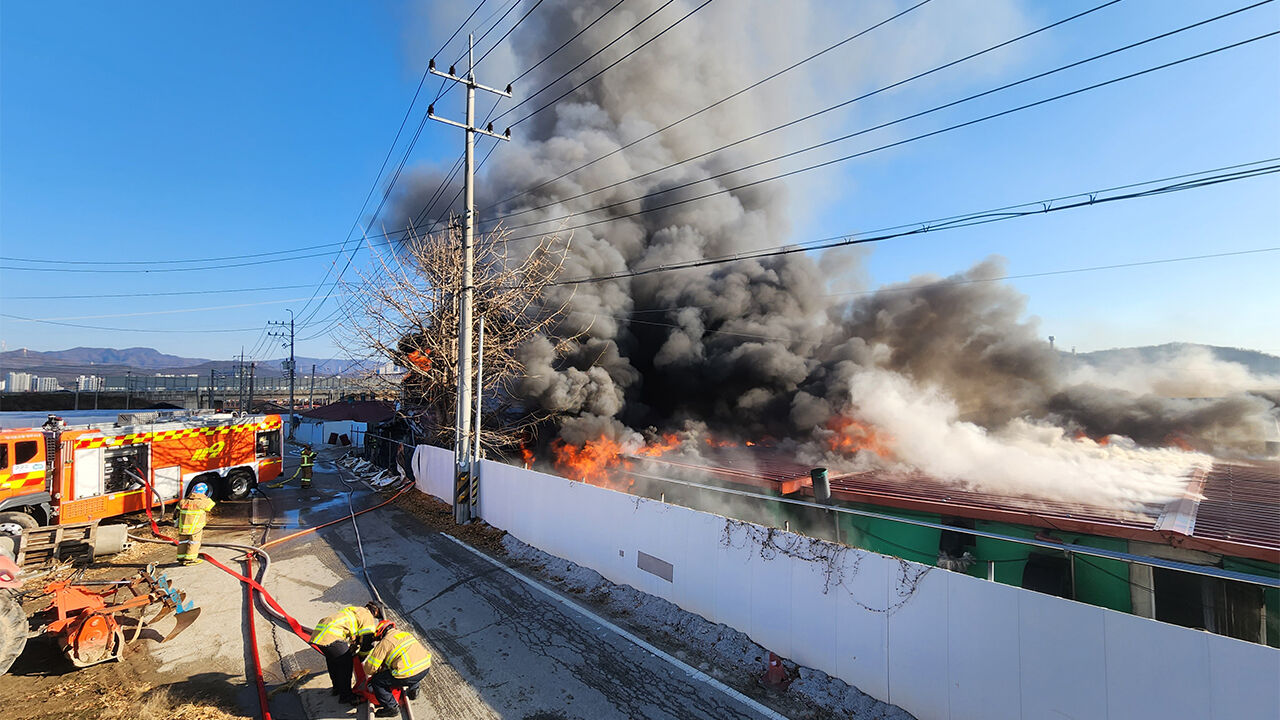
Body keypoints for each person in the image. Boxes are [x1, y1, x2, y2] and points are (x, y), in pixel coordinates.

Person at [309, 601, 384, 705]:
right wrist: (361, 657)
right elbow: (367, 642)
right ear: (376, 611)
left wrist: (355, 642)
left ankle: (337, 688)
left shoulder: (355, 610)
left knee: (333, 661)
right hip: (331, 636)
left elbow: (351, 629)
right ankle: (346, 696)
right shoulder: (368, 617)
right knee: (345, 664)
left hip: (319, 633)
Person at [362, 620, 431, 717]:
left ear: (381, 634)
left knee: (377, 681)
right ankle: (414, 690)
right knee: (412, 666)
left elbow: (369, 669)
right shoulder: (405, 634)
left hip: (408, 675)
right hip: (425, 668)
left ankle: (391, 708)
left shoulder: (385, 642)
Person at [175, 483, 215, 565]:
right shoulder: (201, 503)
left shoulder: (183, 502)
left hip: (183, 527)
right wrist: (205, 497)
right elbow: (211, 505)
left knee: (183, 542)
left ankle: (181, 558)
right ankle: (190, 560)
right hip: (195, 528)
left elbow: (176, 513)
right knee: (194, 542)